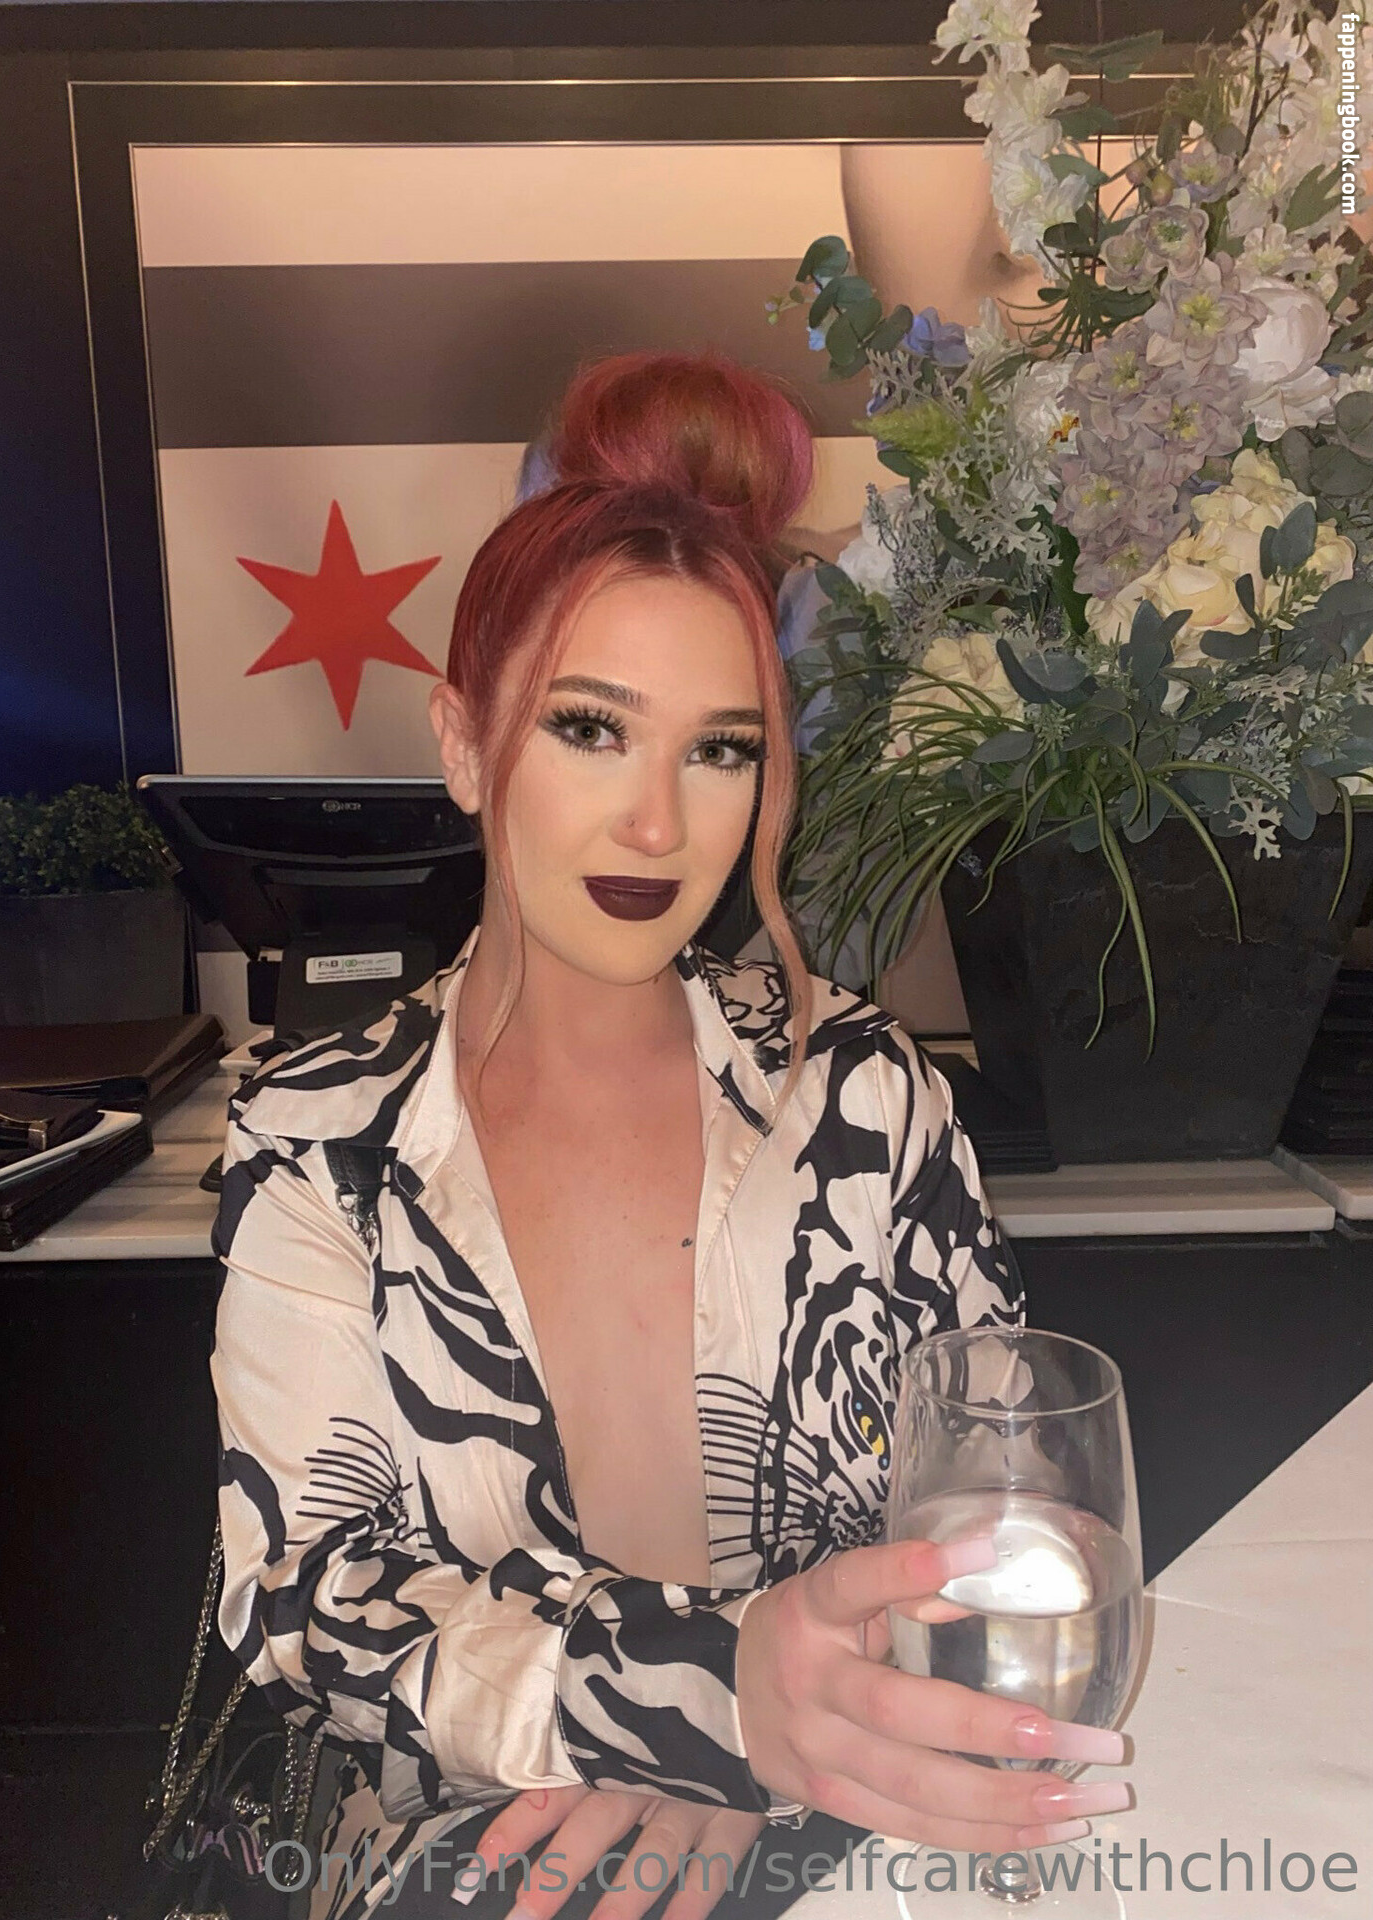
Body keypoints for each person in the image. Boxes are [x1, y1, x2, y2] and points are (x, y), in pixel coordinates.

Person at [209, 352, 1130, 1920]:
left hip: (857, 1825)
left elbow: (1001, 1501)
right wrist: (701, 1705)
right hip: (471, 1859)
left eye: (719, 749)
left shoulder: (865, 1093)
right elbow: (304, 1596)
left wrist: (766, 1737)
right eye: (590, 729)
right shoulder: (318, 1140)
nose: (659, 822)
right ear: (461, 741)